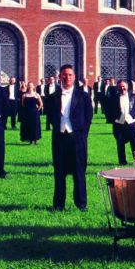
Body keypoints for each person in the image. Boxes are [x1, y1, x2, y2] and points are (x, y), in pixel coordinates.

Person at [47, 64, 93, 211]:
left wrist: (82, 134)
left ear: (74, 77)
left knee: (79, 172)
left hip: (77, 139)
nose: (67, 77)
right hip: (59, 138)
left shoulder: (83, 96)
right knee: (59, 173)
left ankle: (81, 204)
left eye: (70, 75)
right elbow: (51, 116)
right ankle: (58, 204)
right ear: (60, 76)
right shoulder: (53, 97)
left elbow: (88, 117)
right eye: (64, 75)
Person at [112, 79, 135, 166]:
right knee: (120, 144)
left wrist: (132, 117)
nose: (122, 88)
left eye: (123, 86)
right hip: (119, 124)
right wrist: (116, 118)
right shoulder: (114, 97)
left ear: (127, 86)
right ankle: (122, 162)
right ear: (118, 88)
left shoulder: (134, 96)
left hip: (131, 123)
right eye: (120, 87)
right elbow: (111, 110)